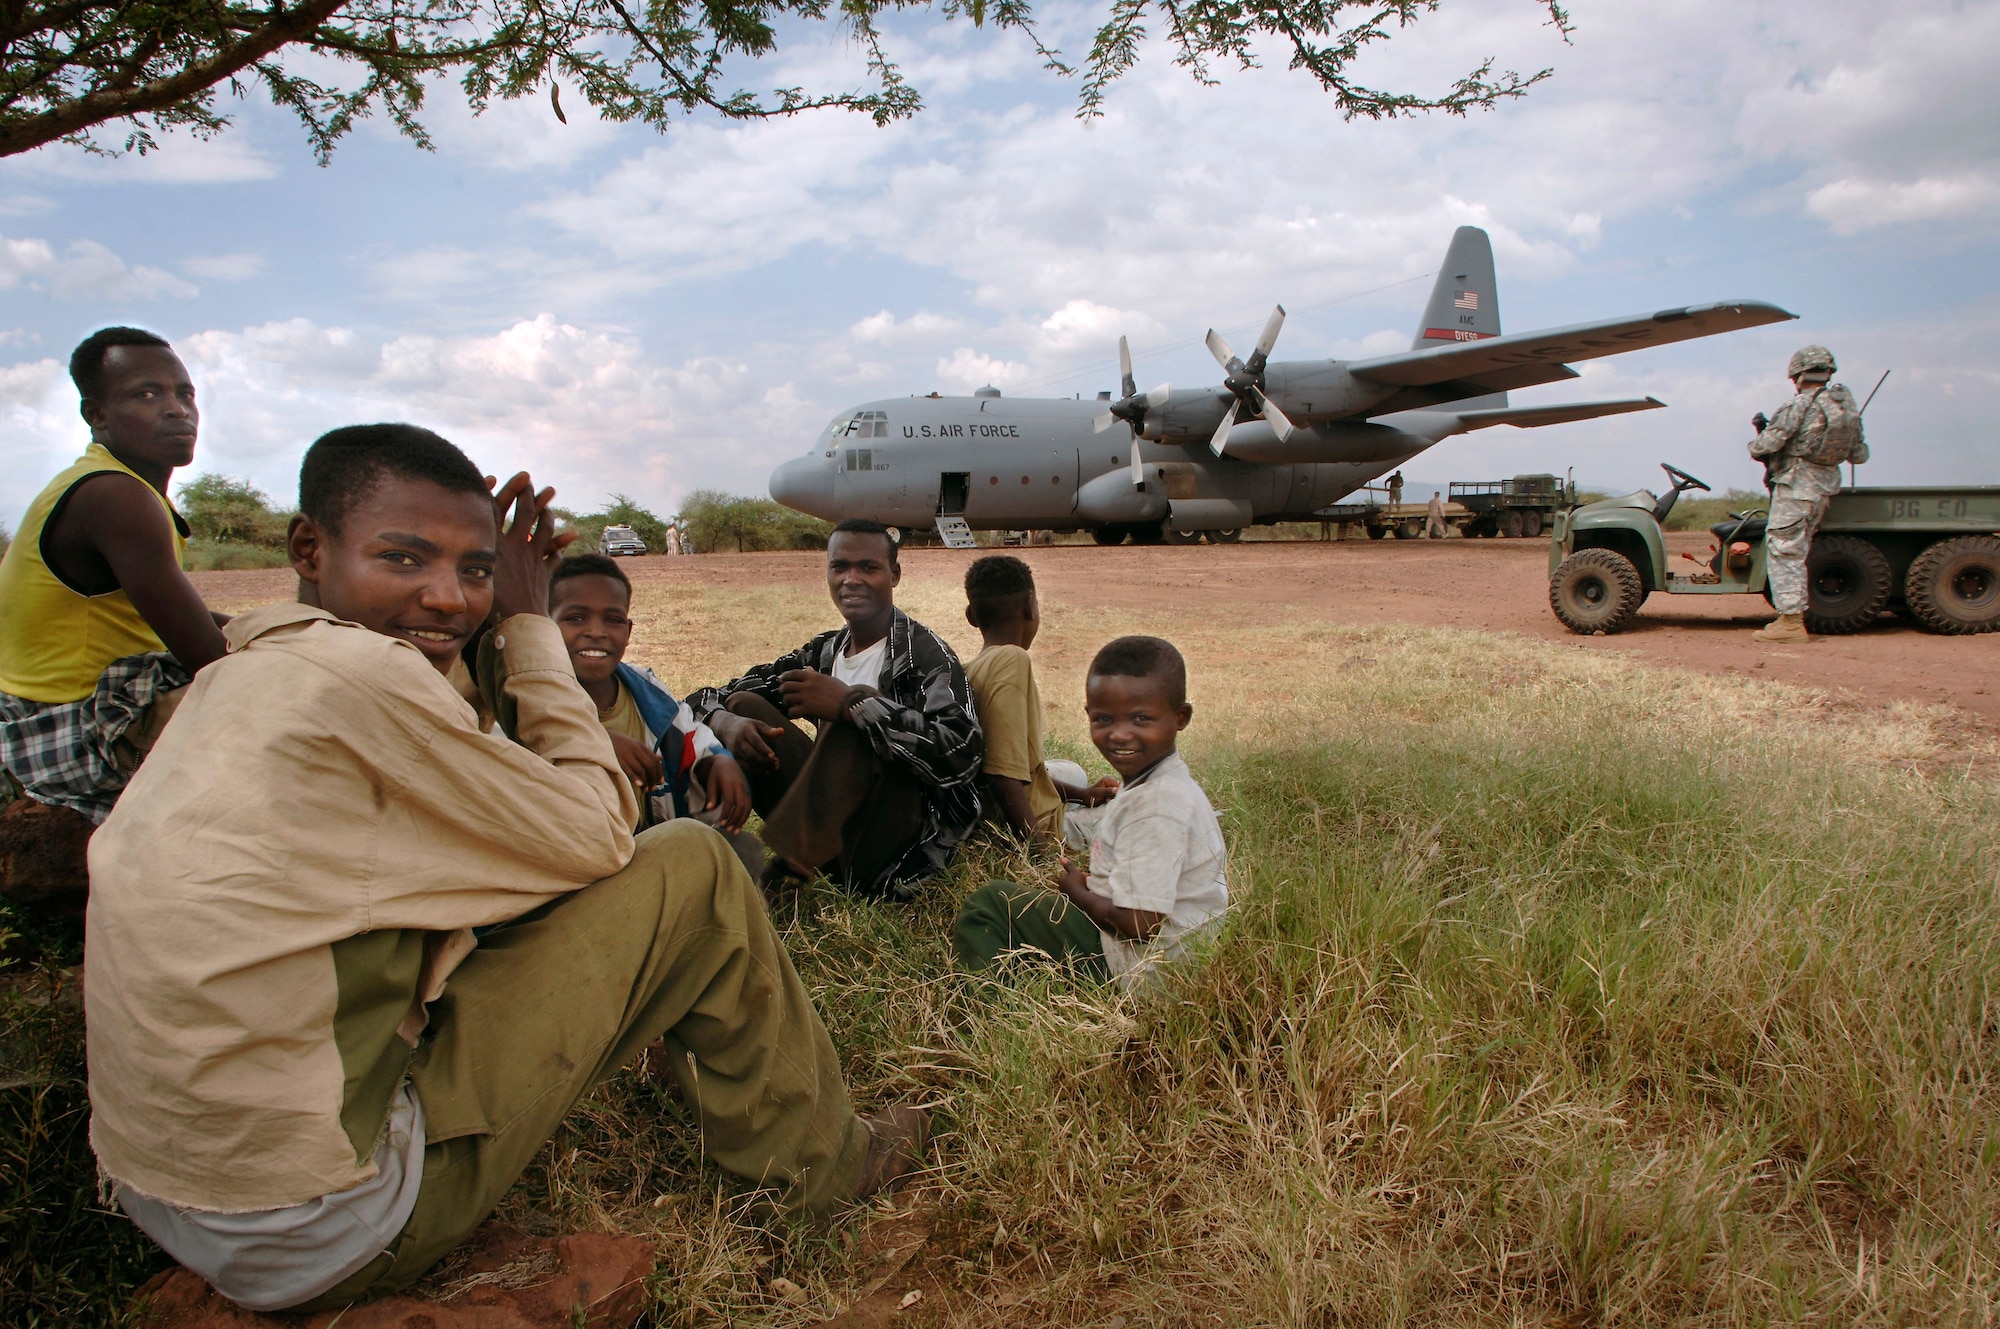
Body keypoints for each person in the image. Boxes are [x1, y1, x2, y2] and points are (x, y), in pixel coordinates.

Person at [85, 425, 926, 1314]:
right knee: (696, 866)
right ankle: (823, 1172)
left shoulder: (242, 671)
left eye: (476, 570)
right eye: (403, 557)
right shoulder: (367, 681)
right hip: (316, 1224)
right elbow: (599, 833)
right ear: (309, 548)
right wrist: (525, 623)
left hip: (164, 1192)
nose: (447, 599)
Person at [0, 328, 227, 835]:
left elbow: (179, 614)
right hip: (64, 729)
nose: (177, 410)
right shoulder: (114, 497)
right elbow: (212, 659)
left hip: (77, 707)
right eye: (147, 394)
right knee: (294, 706)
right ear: (96, 415)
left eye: (184, 393)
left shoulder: (120, 486)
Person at [687, 519, 982, 901]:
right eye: (839, 567)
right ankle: (721, 845)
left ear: (894, 575)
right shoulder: (822, 653)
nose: (851, 579)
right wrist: (723, 720)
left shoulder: (926, 655)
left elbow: (964, 754)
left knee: (855, 718)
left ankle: (785, 874)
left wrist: (853, 704)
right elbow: (705, 698)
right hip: (832, 834)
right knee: (746, 706)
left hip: (899, 846)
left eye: (868, 567)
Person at [953, 636, 1229, 991]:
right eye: (1104, 719)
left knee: (990, 903)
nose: (1120, 735)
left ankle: (977, 1013)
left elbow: (1138, 924)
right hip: (1169, 960)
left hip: (1142, 969)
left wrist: (1077, 894)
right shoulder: (1161, 784)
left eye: (1141, 719)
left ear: (1181, 717)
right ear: (1088, 715)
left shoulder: (1157, 808)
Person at [546, 553, 762, 875]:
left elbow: (688, 733)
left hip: (649, 849)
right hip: (573, 866)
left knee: (741, 849)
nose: (596, 631)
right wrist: (595, 743)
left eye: (613, 619)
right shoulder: (534, 699)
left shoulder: (645, 692)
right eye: (576, 618)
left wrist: (715, 761)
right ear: (545, 625)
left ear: (629, 631)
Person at [960, 555, 1117, 847]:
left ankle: (1075, 798)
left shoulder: (972, 667)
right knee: (1152, 813)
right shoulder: (1012, 659)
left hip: (989, 802)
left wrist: (1082, 796)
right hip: (1037, 823)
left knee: (1074, 772)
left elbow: (1023, 769)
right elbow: (1002, 774)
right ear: (1030, 606)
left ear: (971, 616)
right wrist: (1039, 850)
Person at [1749, 344, 1869, 643]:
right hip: (1824, 486)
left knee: (1784, 549)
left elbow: (1763, 447)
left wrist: (1758, 441)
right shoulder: (1845, 408)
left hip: (1796, 485)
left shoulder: (1799, 405)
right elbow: (1859, 455)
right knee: (1797, 550)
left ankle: (1790, 623)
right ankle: (1791, 617)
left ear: (1797, 374)